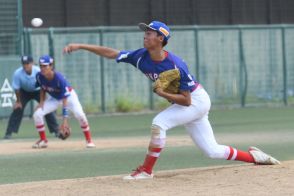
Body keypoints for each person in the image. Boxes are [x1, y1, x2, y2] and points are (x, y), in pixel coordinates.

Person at [63, 21, 280, 180]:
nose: (145, 35)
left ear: (161, 39)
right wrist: (82, 46)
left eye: (150, 33)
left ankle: (146, 171)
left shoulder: (176, 66)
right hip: (186, 102)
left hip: (196, 101)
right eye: (145, 32)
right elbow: (113, 53)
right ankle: (255, 157)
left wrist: (164, 94)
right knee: (212, 151)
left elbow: (186, 102)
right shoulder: (140, 56)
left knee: (159, 123)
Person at [32, 55, 95, 148]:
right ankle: (43, 140)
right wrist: (41, 102)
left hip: (69, 97)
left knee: (80, 115)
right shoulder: (39, 76)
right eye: (41, 66)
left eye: (45, 66)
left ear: (51, 66)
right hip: (55, 98)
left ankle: (89, 140)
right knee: (37, 114)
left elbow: (65, 99)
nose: (42, 68)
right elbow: (42, 88)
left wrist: (65, 120)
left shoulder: (59, 78)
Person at [4, 55, 59, 139]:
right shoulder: (18, 73)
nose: (25, 65)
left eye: (27, 63)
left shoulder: (38, 71)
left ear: (32, 63)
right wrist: (18, 102)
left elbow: (43, 86)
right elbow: (17, 89)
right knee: (18, 109)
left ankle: (56, 131)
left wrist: (42, 101)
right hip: (24, 92)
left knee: (46, 108)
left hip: (38, 91)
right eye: (24, 63)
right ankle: (9, 133)